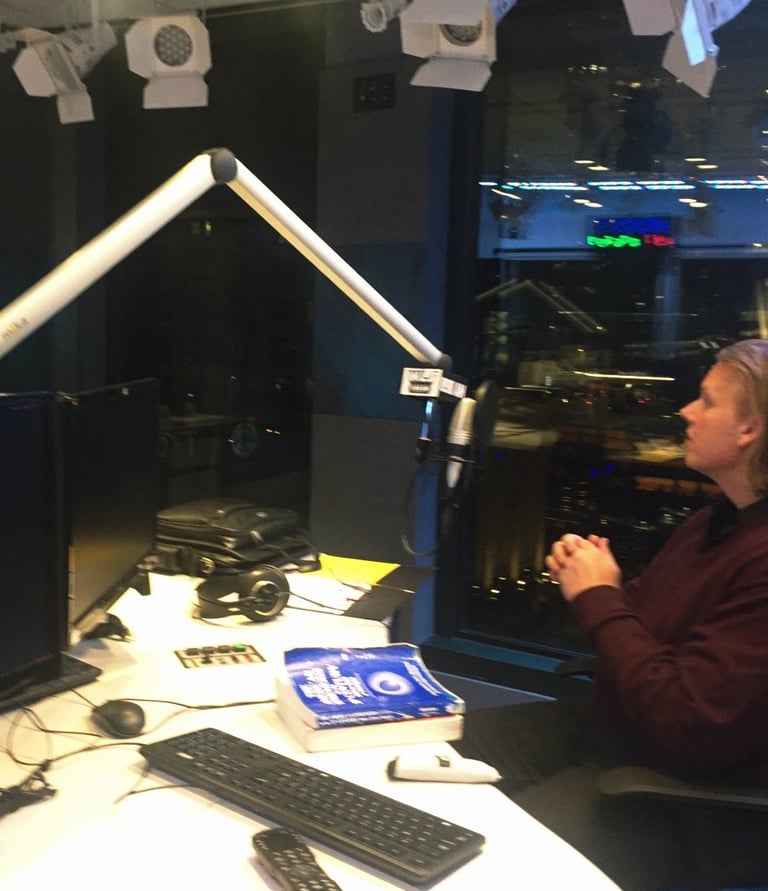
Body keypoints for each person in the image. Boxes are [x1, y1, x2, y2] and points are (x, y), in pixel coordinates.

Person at [453, 338, 768, 891]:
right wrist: (593, 580)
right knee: (429, 753)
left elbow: (684, 722)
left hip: (682, 794)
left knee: (490, 867)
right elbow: (639, 621)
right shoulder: (712, 524)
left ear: (750, 428)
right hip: (612, 731)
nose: (686, 412)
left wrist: (600, 596)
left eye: (706, 401)